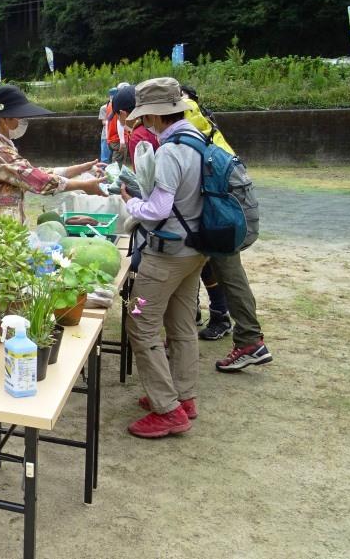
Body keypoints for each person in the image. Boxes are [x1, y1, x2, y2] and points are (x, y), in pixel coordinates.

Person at [118, 77, 206, 438]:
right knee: (182, 325)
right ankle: (184, 396)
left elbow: (157, 210)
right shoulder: (199, 140)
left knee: (139, 321)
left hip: (166, 255)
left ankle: (167, 409)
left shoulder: (170, 151)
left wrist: (130, 202)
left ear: (154, 114)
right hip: (196, 250)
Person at [178, 88, 272, 371]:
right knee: (225, 270)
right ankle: (241, 332)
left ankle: (249, 341)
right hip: (227, 198)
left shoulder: (183, 114)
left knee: (229, 272)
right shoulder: (193, 110)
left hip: (222, 204)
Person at [0, 85, 105, 260]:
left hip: (0, 237)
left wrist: (80, 169)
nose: (24, 122)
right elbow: (38, 181)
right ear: (4, 118)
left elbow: (31, 173)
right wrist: (83, 185)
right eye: (20, 117)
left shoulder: (1, 146)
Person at [113, 85, 159, 170]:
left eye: (117, 116)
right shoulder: (156, 125)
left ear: (122, 113)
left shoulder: (137, 136)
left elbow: (143, 177)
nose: (118, 119)